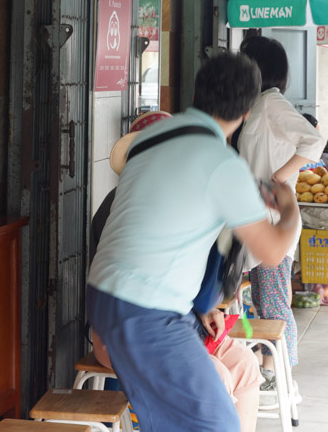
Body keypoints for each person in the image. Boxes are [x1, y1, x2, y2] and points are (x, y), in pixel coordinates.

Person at [87, 53, 302, 431]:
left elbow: (177, 199)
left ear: (198, 92)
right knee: (215, 424)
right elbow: (272, 252)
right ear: (248, 110)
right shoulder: (221, 162)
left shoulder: (156, 135)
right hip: (147, 312)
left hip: (107, 298)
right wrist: (290, 210)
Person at [88, 112, 262, 432]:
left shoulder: (181, 202)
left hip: (179, 327)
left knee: (246, 366)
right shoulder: (117, 209)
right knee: (216, 380)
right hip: (126, 334)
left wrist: (203, 311)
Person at [236, 35, 325, 397]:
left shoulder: (271, 103)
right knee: (263, 302)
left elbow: (313, 141)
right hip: (258, 222)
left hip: (273, 223)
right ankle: (271, 370)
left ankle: (285, 378)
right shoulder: (258, 104)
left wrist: (280, 177)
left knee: (273, 304)